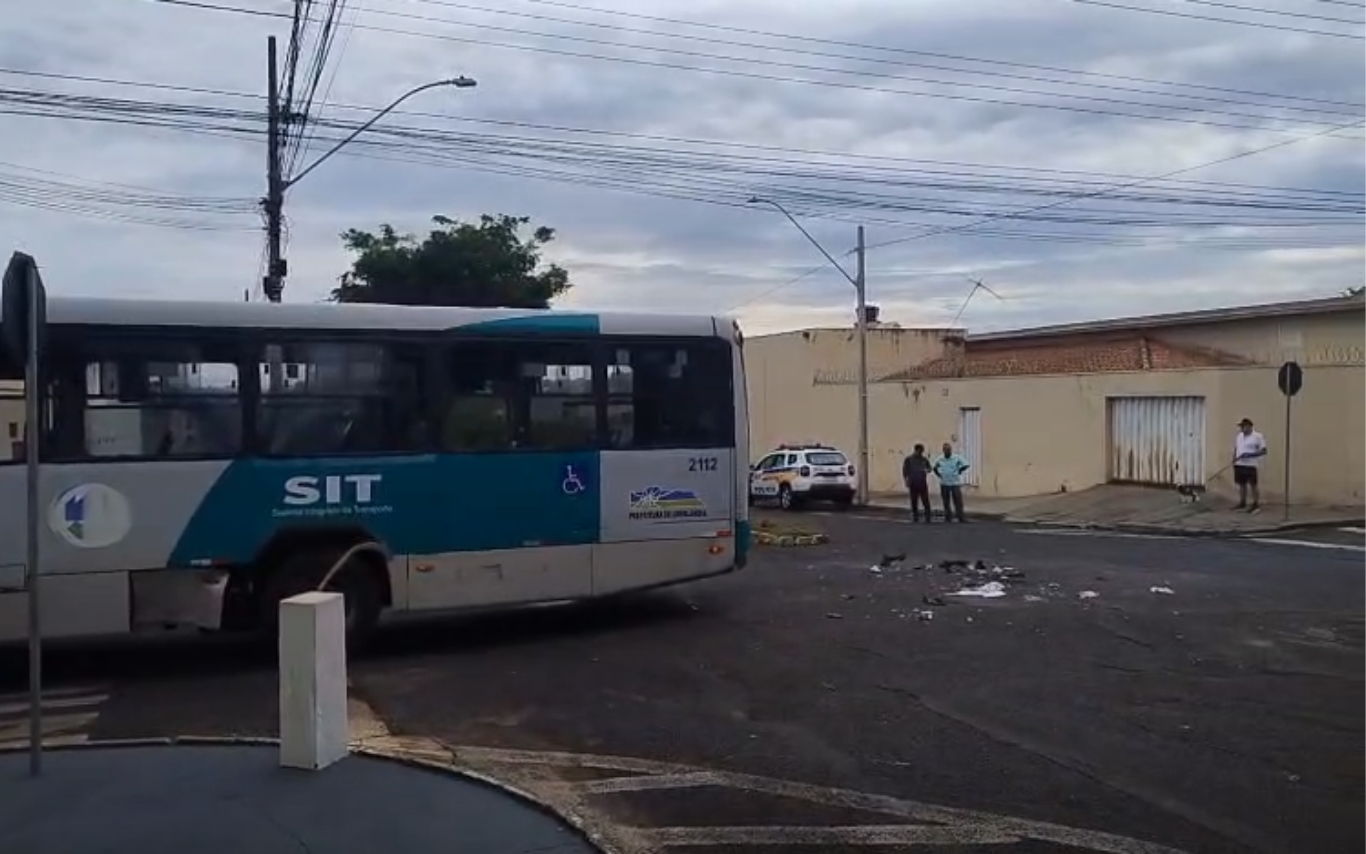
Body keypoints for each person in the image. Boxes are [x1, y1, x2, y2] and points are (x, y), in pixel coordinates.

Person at [1232, 417, 1267, 513]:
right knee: (1241, 484)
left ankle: (1256, 504)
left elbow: (1263, 451)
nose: (1241, 428)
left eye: (1243, 426)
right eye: (1241, 427)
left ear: (1249, 426)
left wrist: (1250, 455)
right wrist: (1234, 458)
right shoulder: (1239, 436)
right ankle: (1242, 502)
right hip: (1239, 463)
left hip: (1251, 465)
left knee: (1253, 484)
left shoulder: (1258, 436)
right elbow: (1236, 448)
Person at [932, 442, 971, 523]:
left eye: (949, 450)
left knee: (958, 501)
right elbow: (935, 467)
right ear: (943, 450)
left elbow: (966, 464)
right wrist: (939, 474)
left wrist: (959, 470)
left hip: (955, 483)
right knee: (946, 501)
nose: (948, 451)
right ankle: (948, 517)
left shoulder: (956, 457)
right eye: (946, 450)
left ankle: (961, 517)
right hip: (944, 483)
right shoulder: (940, 459)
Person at [902, 443, 933, 522]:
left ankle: (928, 517)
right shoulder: (909, 459)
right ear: (916, 450)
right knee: (914, 501)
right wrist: (906, 480)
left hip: (922, 483)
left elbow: (930, 468)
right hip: (913, 483)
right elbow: (905, 471)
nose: (921, 453)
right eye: (920, 451)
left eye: (922, 451)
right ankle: (915, 516)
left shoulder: (924, 459)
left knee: (925, 500)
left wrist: (927, 470)